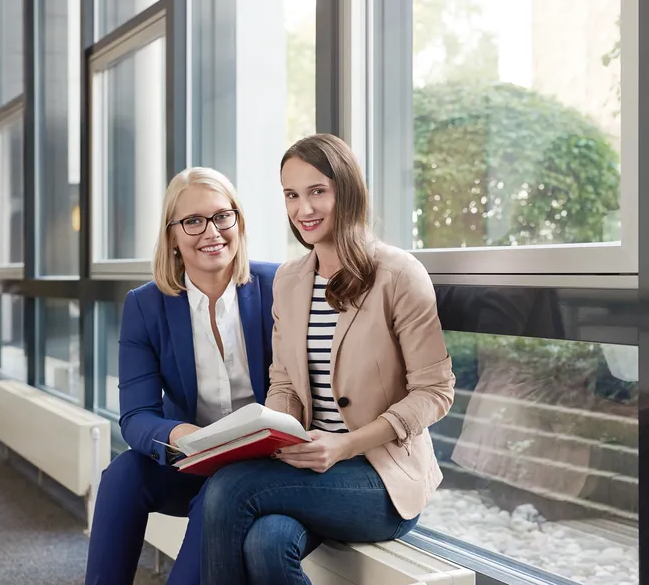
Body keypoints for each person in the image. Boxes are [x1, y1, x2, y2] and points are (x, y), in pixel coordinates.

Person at [200, 134, 456, 585]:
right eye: (292, 195)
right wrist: (273, 433)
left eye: (318, 191)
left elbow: (435, 392)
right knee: (267, 542)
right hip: (309, 467)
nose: (304, 209)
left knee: (228, 487)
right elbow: (283, 381)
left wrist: (345, 445)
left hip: (380, 477)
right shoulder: (290, 279)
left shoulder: (398, 274)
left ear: (347, 191)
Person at [84, 167, 278, 585]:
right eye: (193, 221)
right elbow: (136, 416)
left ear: (238, 222)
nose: (212, 232)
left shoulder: (278, 286)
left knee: (217, 498)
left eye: (222, 216)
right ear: (172, 235)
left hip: (265, 467)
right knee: (122, 475)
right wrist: (184, 437)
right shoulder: (145, 306)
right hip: (193, 456)